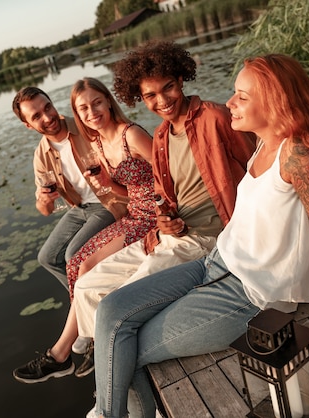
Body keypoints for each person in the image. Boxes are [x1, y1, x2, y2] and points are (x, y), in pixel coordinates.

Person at [89, 54, 309, 418]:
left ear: (276, 103)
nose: (230, 102)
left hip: (249, 295)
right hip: (213, 264)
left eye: (242, 96)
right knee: (110, 310)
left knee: (120, 351)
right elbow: (283, 217)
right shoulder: (262, 142)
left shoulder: (300, 155)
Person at [71, 40, 256, 359]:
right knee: (87, 287)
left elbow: (260, 171)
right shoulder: (159, 137)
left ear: (181, 80)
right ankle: (103, 360)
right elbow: (164, 197)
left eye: (167, 87)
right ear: (139, 98)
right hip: (168, 238)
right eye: (150, 95)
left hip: (207, 239)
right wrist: (164, 218)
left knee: (121, 303)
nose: (162, 100)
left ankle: (123, 366)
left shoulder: (215, 117)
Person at [12, 78, 156, 383]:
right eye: (36, 116)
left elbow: (123, 147)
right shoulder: (41, 155)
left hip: (110, 203)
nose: (47, 117)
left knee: (74, 254)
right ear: (27, 124)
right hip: (80, 208)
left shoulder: (85, 124)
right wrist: (42, 199)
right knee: (47, 257)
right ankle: (84, 316)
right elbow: (45, 210)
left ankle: (83, 332)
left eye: (47, 107)